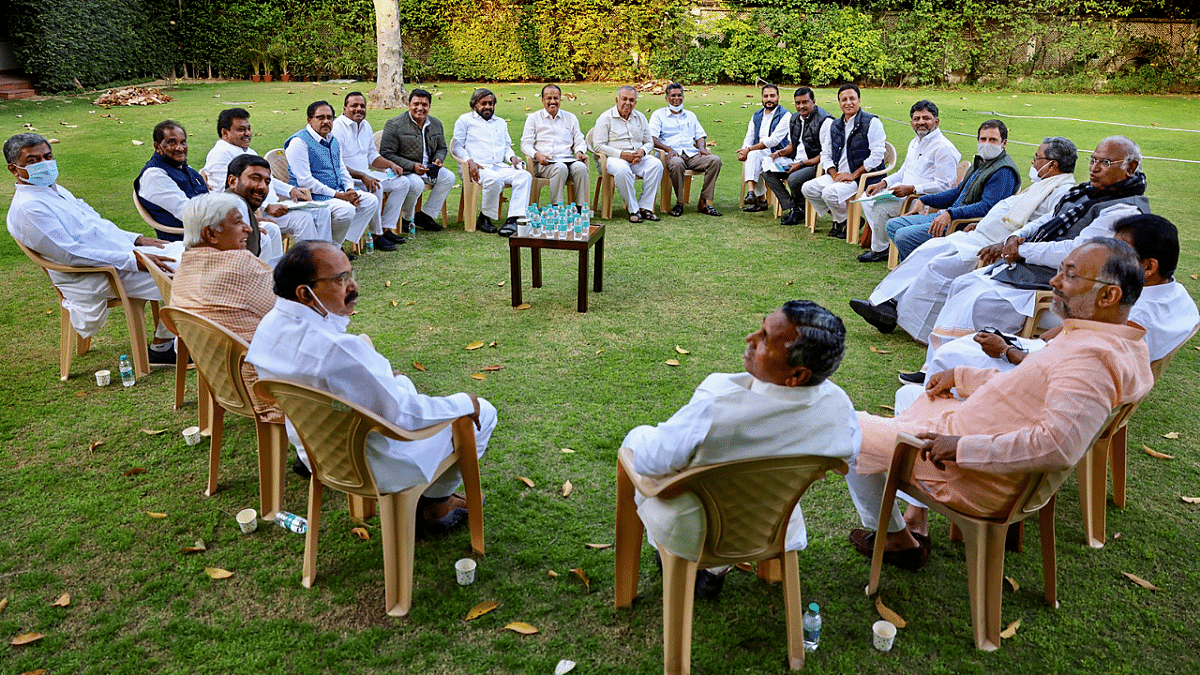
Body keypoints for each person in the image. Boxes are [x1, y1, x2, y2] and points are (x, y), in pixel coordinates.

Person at [843, 238, 1154, 569]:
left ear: (1109, 296)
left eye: (1069, 275)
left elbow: (1059, 446)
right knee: (914, 395)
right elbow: (1024, 389)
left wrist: (961, 447)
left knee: (846, 431)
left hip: (969, 473)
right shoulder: (1109, 338)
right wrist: (960, 377)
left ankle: (897, 539)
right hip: (971, 436)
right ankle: (911, 512)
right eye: (1061, 270)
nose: (1054, 281)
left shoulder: (1092, 360)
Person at [246, 241, 496, 531]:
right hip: (376, 464)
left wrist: (388, 381)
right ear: (304, 293)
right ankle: (436, 505)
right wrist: (466, 402)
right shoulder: (338, 350)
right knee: (483, 413)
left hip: (318, 452)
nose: (353, 286)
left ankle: (432, 498)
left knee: (400, 381)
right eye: (341, 280)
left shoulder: (268, 326)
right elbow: (405, 416)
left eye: (351, 275)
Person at [623, 301, 857, 598]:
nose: (750, 338)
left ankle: (699, 566)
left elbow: (648, 462)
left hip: (696, 534)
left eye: (764, 339)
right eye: (760, 328)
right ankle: (719, 569)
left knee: (638, 441)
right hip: (776, 525)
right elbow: (848, 453)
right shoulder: (838, 407)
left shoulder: (717, 405)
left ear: (797, 375)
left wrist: (638, 440)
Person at [896, 215, 1196, 405]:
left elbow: (1063, 372)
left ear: (1148, 266)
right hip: (1067, 368)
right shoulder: (1176, 297)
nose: (1109, 259)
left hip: (1056, 387)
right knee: (964, 337)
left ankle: (932, 418)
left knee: (952, 355)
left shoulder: (1134, 318)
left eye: (1118, 255)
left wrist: (1007, 352)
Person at [921, 136, 1149, 357]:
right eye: (1093, 160)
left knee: (981, 301)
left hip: (1061, 281)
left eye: (1105, 162)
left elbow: (1077, 252)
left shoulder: (1123, 210)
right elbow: (1049, 218)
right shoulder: (1086, 192)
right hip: (1032, 265)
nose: (1095, 168)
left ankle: (968, 363)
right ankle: (939, 360)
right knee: (963, 283)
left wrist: (1021, 250)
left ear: (1131, 167)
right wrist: (1016, 237)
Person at [849, 138, 1077, 342]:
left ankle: (916, 325)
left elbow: (1041, 227)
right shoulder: (1044, 183)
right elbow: (1013, 210)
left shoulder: (1061, 191)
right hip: (980, 234)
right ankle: (885, 303)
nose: (1034, 162)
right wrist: (981, 224)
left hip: (992, 244)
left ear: (1052, 165)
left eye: (1037, 158)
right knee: (927, 250)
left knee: (938, 266)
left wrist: (1005, 242)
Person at [6, 133, 182, 363]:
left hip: (119, 257)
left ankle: (185, 334)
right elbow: (70, 253)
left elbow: (97, 227)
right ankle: (164, 347)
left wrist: (137, 239)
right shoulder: (29, 209)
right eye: (33, 160)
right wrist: (133, 258)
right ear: (14, 169)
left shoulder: (55, 191)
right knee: (188, 272)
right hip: (97, 274)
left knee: (195, 253)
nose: (44, 164)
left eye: (47, 157)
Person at [172, 192, 280, 424]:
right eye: (238, 222)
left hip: (224, 384)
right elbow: (290, 313)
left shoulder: (184, 269)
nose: (249, 229)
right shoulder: (241, 263)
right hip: (266, 388)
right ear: (211, 234)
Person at [878, 120, 1020, 261]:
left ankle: (918, 271)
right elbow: (958, 192)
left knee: (904, 236)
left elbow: (987, 207)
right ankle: (918, 265)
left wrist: (951, 214)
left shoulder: (1003, 172)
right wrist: (924, 199)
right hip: (949, 216)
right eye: (983, 139)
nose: (987, 144)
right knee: (892, 225)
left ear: (1004, 143)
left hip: (962, 225)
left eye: (993, 140)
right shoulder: (982, 162)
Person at [202, 107, 332, 245]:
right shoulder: (220, 154)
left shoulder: (248, 151)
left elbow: (268, 180)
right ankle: (307, 263)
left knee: (321, 211)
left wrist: (290, 190)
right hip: (252, 212)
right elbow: (226, 191)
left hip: (272, 206)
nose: (248, 133)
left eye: (249, 129)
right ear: (225, 132)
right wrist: (265, 206)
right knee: (303, 219)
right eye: (241, 129)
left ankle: (326, 254)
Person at [856, 101, 961, 262]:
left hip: (923, 201)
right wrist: (882, 183)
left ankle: (880, 249)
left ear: (936, 121)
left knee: (880, 207)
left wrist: (913, 189)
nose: (921, 122)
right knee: (868, 199)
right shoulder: (915, 142)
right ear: (911, 122)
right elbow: (903, 171)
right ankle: (886, 244)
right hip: (903, 194)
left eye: (926, 118)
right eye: (916, 118)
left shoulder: (943, 148)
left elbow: (945, 186)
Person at [284, 100, 381, 248]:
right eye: (320, 117)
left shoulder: (332, 139)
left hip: (337, 192)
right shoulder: (299, 142)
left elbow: (341, 169)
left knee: (370, 201)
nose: (326, 121)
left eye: (330, 117)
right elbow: (305, 181)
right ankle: (333, 248)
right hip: (310, 196)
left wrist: (350, 190)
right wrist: (339, 196)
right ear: (309, 120)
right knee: (346, 210)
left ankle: (335, 244)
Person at [800, 84, 887, 239]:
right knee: (808, 188)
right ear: (839, 103)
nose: (848, 103)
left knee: (829, 193)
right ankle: (843, 219)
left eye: (852, 98)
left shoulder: (872, 122)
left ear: (859, 100)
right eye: (843, 100)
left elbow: (877, 156)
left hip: (861, 177)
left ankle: (840, 221)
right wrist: (834, 174)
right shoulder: (835, 125)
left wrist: (853, 175)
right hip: (839, 175)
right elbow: (825, 154)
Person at [331, 91, 408, 251]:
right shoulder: (337, 128)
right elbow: (337, 164)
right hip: (348, 179)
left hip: (367, 174)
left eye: (362, 106)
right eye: (354, 106)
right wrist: (363, 176)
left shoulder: (365, 125)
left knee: (402, 183)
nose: (359, 109)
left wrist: (390, 165)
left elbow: (372, 156)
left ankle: (387, 228)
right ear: (345, 108)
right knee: (376, 187)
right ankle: (376, 235)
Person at [451, 88, 531, 237]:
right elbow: (457, 147)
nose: (488, 107)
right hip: (476, 167)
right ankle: (484, 218)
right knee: (494, 179)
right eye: (484, 103)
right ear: (475, 105)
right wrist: (469, 161)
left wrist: (512, 158)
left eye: (491, 103)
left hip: (498, 166)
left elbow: (506, 147)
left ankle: (513, 219)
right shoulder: (465, 120)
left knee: (524, 176)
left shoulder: (500, 123)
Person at [378, 89, 453, 234]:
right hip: (404, 171)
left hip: (429, 168)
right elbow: (386, 154)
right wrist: (412, 166)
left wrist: (438, 159)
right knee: (417, 183)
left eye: (424, 104)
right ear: (408, 105)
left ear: (429, 106)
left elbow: (442, 148)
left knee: (448, 177)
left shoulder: (436, 123)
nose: (420, 108)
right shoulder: (394, 124)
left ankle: (426, 215)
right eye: (416, 104)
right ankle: (407, 219)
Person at [648, 82, 722, 217]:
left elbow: (700, 135)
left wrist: (701, 148)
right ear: (666, 98)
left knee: (715, 160)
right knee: (677, 163)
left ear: (683, 97)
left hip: (691, 154)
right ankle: (680, 203)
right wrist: (668, 150)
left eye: (679, 95)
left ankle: (703, 201)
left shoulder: (690, 115)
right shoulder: (658, 115)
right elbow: (652, 138)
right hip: (670, 155)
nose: (676, 99)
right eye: (673, 96)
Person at [762, 87, 833, 226]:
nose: (801, 106)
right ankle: (794, 208)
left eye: (805, 102)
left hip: (815, 164)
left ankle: (800, 208)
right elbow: (793, 145)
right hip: (795, 161)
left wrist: (800, 165)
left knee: (794, 179)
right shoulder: (794, 118)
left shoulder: (825, 121)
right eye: (798, 103)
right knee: (768, 173)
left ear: (813, 102)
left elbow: (826, 154)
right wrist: (779, 153)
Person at [591, 85, 663, 223]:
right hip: (613, 159)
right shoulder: (605, 118)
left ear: (635, 103)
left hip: (637, 158)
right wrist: (621, 154)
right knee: (622, 170)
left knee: (656, 165)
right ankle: (633, 209)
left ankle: (645, 207)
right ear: (616, 99)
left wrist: (642, 151)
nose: (628, 103)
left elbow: (649, 142)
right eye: (624, 99)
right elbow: (598, 145)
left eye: (632, 100)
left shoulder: (640, 117)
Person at [134, 119, 209, 242]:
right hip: (188, 241)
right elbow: (188, 213)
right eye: (172, 143)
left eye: (183, 142)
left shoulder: (184, 168)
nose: (180, 148)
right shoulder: (154, 176)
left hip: (209, 232)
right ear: (157, 147)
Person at [520, 84, 589, 209]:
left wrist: (579, 151)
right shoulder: (533, 118)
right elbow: (525, 144)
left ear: (560, 99)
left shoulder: (570, 118)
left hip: (568, 160)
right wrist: (536, 154)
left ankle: (579, 208)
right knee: (560, 168)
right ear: (542, 100)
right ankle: (556, 208)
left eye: (556, 98)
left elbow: (579, 139)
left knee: (581, 168)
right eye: (549, 98)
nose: (553, 102)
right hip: (545, 163)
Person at [225, 153, 295, 262]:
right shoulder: (230, 209)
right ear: (233, 181)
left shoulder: (241, 206)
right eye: (255, 178)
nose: (262, 187)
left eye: (267, 182)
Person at [737, 84, 791, 213]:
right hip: (758, 152)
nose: (769, 99)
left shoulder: (785, 115)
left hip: (778, 154)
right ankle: (753, 194)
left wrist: (749, 150)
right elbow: (749, 137)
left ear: (778, 97)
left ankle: (759, 199)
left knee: (756, 156)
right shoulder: (757, 115)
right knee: (754, 156)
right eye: (766, 96)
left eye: (772, 96)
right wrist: (744, 150)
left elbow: (774, 140)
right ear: (762, 98)